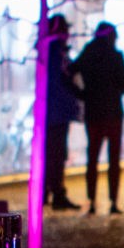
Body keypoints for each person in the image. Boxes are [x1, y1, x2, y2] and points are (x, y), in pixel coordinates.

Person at [69, 20, 124, 215]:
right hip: (113, 113)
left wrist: (82, 94)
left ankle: (92, 201)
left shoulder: (88, 54)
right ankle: (113, 201)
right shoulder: (115, 55)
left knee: (93, 159)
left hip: (94, 112)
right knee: (114, 160)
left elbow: (69, 73)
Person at [43, 14, 82, 211]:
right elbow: (63, 80)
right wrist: (80, 95)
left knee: (50, 153)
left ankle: (47, 193)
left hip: (50, 111)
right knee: (56, 153)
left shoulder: (48, 49)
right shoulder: (56, 51)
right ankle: (57, 194)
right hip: (57, 112)